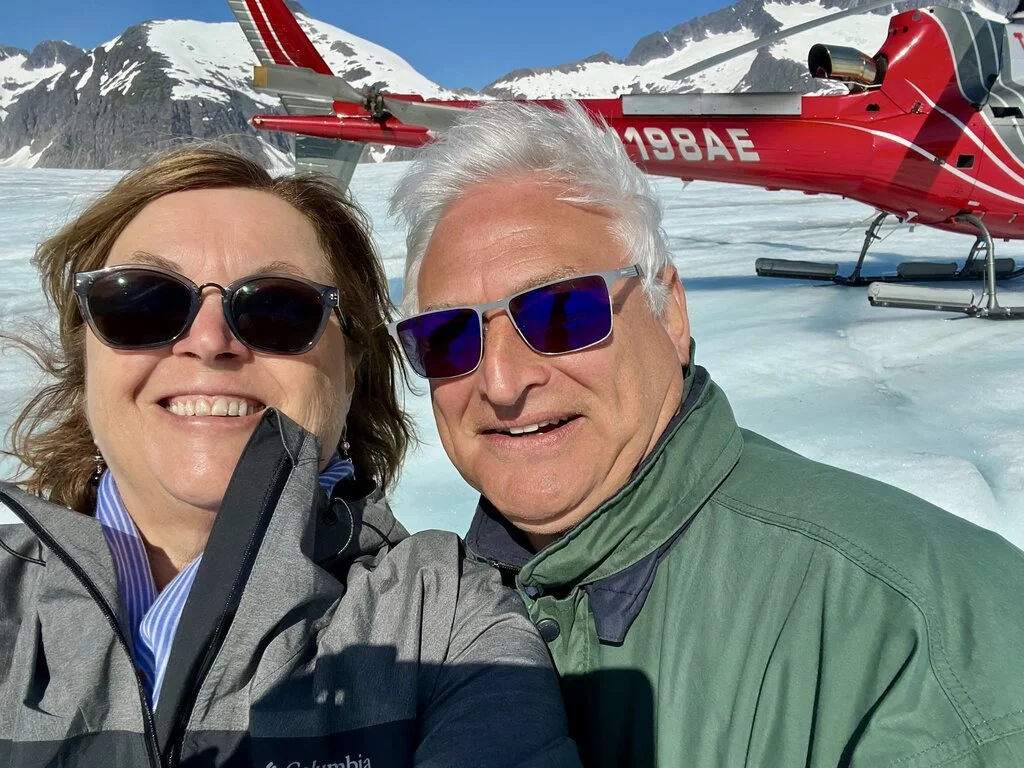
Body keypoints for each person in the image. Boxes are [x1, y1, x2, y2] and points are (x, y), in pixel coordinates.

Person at [388, 102, 1024, 767]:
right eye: (446, 337)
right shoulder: (426, 616)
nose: (500, 381)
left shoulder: (918, 634)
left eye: (560, 311)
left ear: (671, 316)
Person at [0, 146, 581, 767]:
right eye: (141, 303)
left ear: (353, 368)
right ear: (85, 357)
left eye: (277, 309)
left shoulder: (443, 626)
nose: (208, 342)